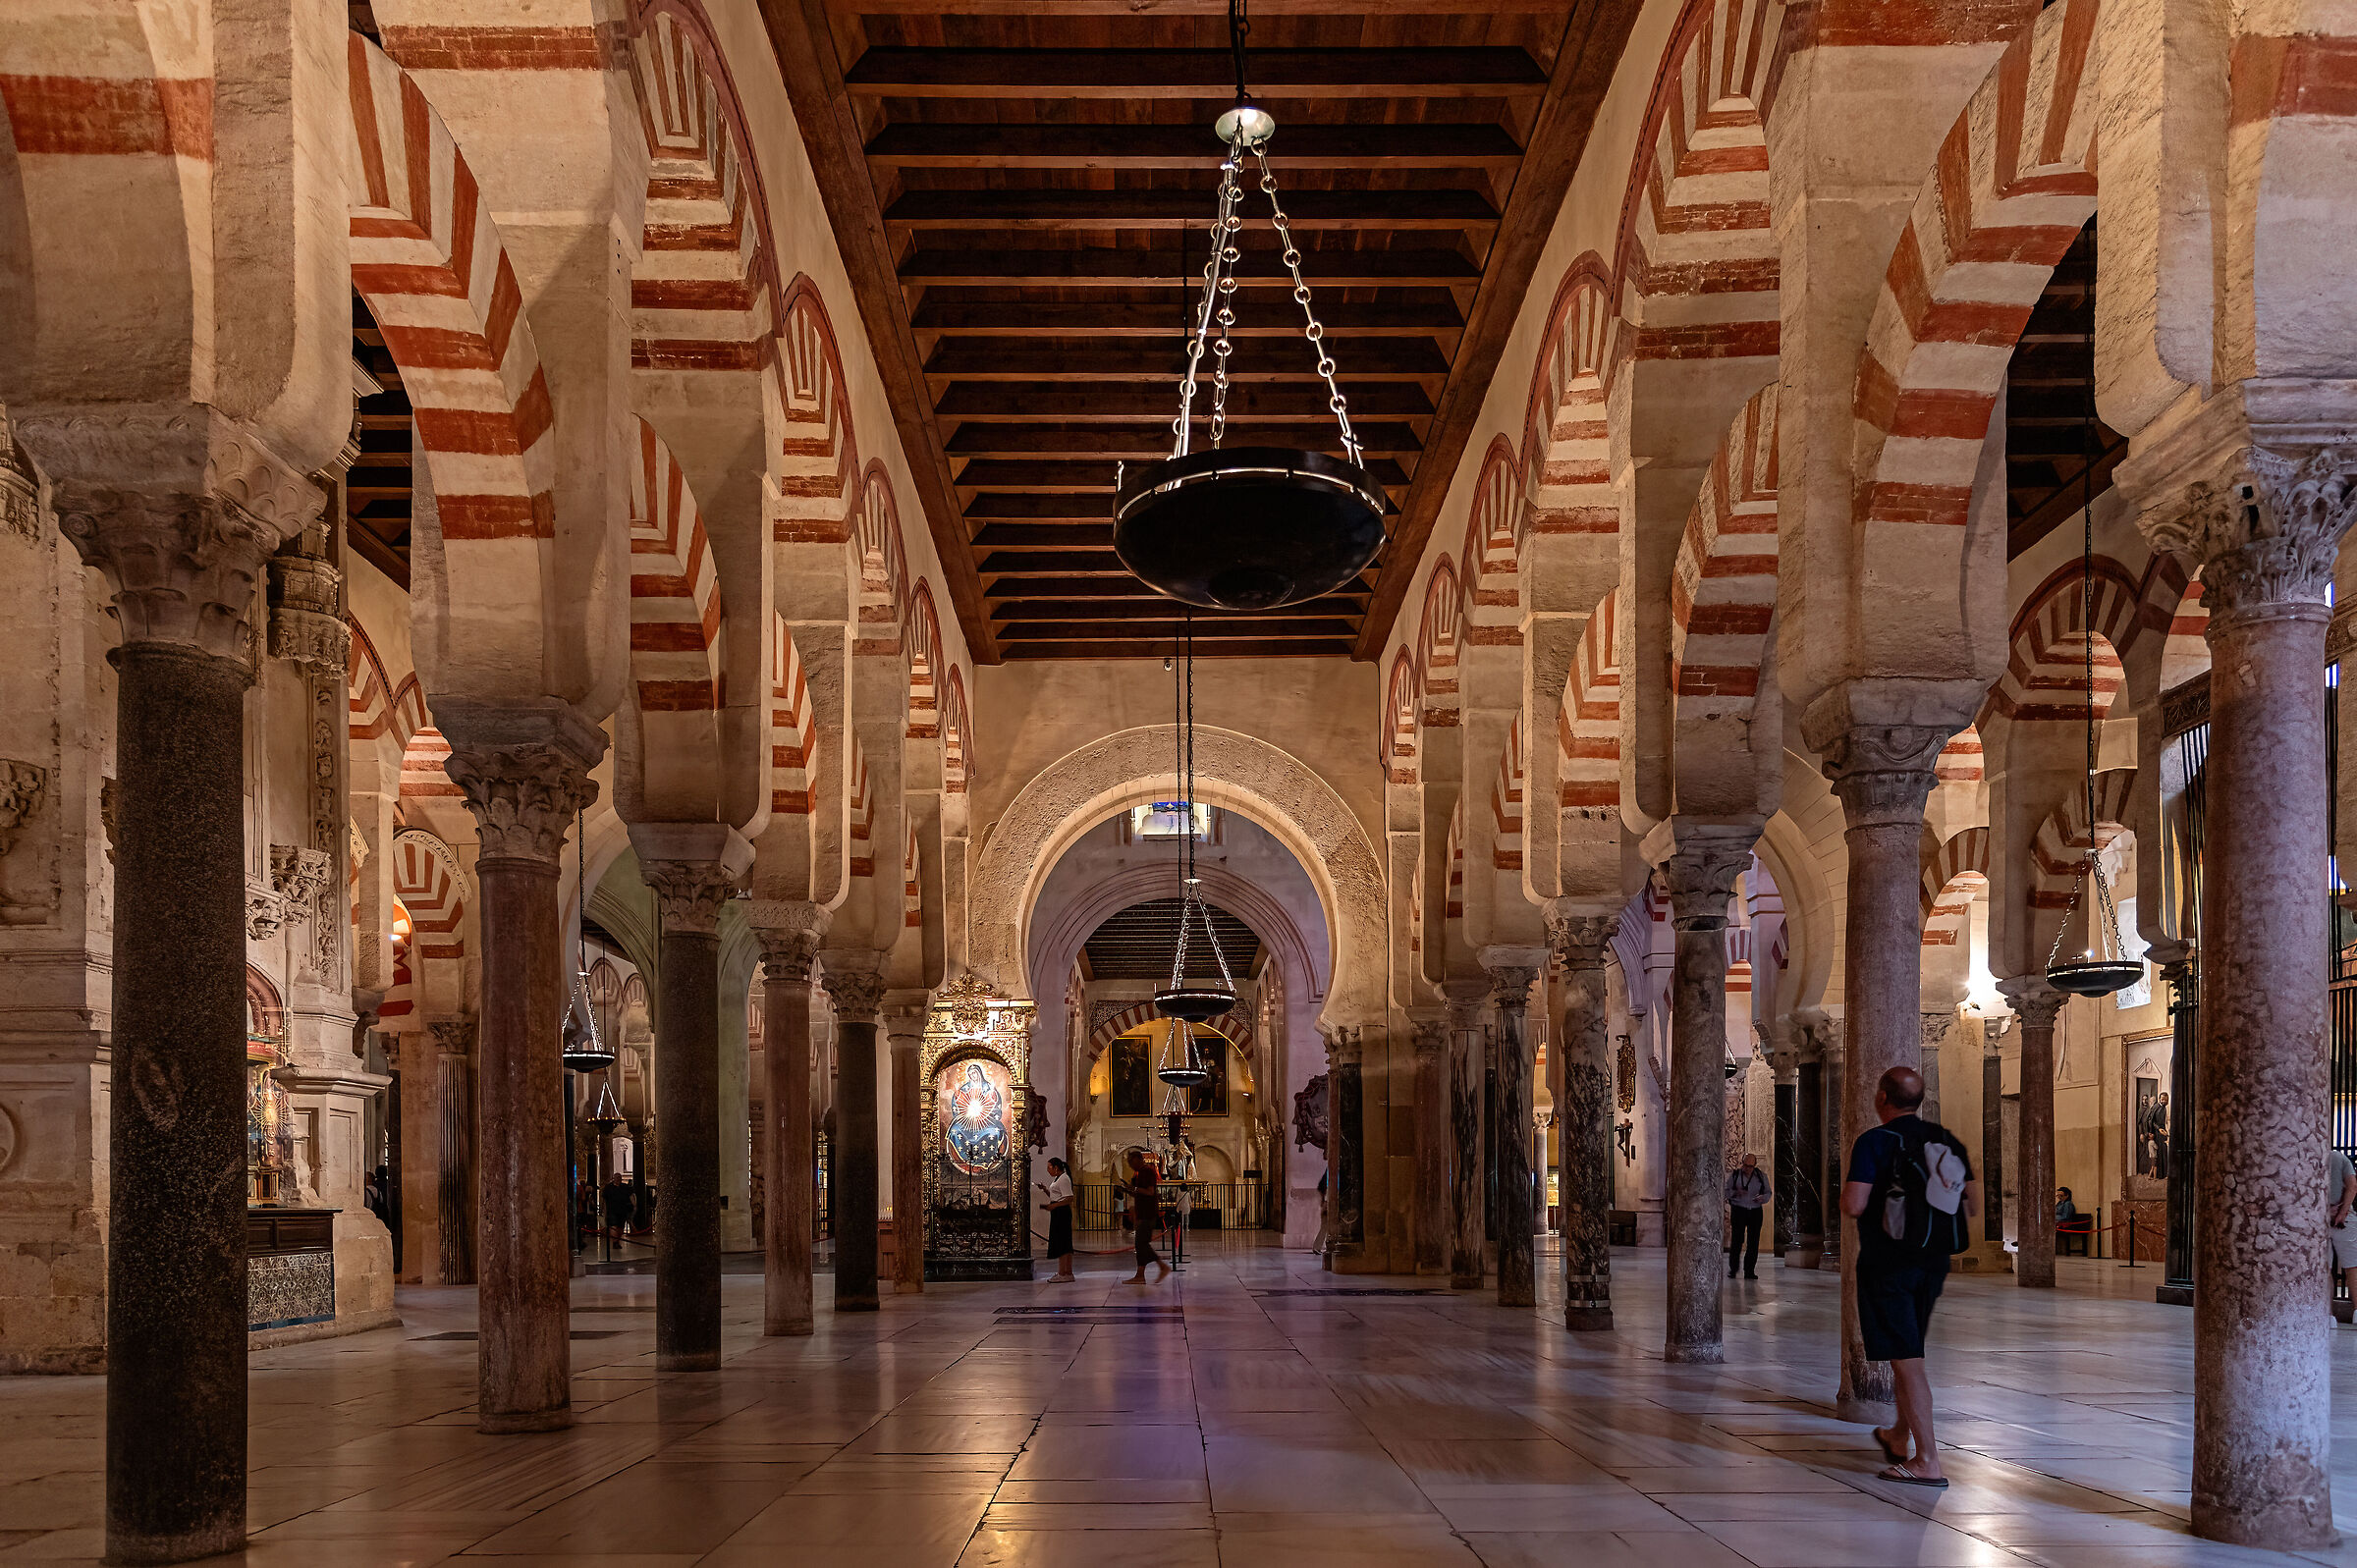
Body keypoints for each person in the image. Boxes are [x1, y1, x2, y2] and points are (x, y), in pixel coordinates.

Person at [1842, 1065, 1978, 1487]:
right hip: (1934, 1262)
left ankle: (1928, 1460)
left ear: (1882, 1098)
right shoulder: (1943, 1138)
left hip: (1888, 1264)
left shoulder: (1875, 1142)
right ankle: (1899, 1435)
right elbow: (1973, 1200)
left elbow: (1854, 1204)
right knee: (1910, 1350)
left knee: (1907, 1362)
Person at [1122, 1149, 1169, 1283]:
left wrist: (1134, 1189)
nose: (1130, 1165)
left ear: (1138, 1159)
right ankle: (1140, 1275)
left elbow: (1149, 1192)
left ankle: (1161, 1267)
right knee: (1141, 1244)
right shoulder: (1140, 1173)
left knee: (1141, 1243)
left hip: (1148, 1213)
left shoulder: (1147, 1171)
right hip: (1143, 1212)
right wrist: (1128, 1190)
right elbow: (1139, 1194)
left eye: (1131, 1161)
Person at [1726, 1153, 1771, 1279]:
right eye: (1745, 1165)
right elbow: (1726, 1191)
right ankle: (1733, 1269)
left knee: (1753, 1242)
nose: (1747, 1169)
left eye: (1750, 1166)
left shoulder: (1761, 1177)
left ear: (1754, 1165)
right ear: (1742, 1163)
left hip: (1755, 1211)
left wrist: (1763, 1198)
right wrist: (1735, 1193)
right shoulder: (1735, 1176)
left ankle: (1749, 1271)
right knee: (1736, 1241)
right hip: (1739, 1210)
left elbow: (1768, 1192)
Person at [1037, 1157, 1076, 1282]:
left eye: (1049, 1167)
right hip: (1058, 1211)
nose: (1048, 1170)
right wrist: (1045, 1190)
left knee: (1062, 1242)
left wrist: (1054, 1206)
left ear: (1056, 1167)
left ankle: (1063, 1273)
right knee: (1063, 1242)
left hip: (1062, 1212)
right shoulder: (1057, 1178)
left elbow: (1069, 1198)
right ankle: (1067, 1272)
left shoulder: (1064, 1179)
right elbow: (1057, 1196)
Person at [2330, 1146, 2357, 1314]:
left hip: (2317, 1220)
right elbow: (2352, 1186)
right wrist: (2343, 1212)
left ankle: (2327, 1314)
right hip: (2345, 1219)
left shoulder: (2307, 1156)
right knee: (2353, 1266)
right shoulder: (2339, 1158)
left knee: (2323, 1270)